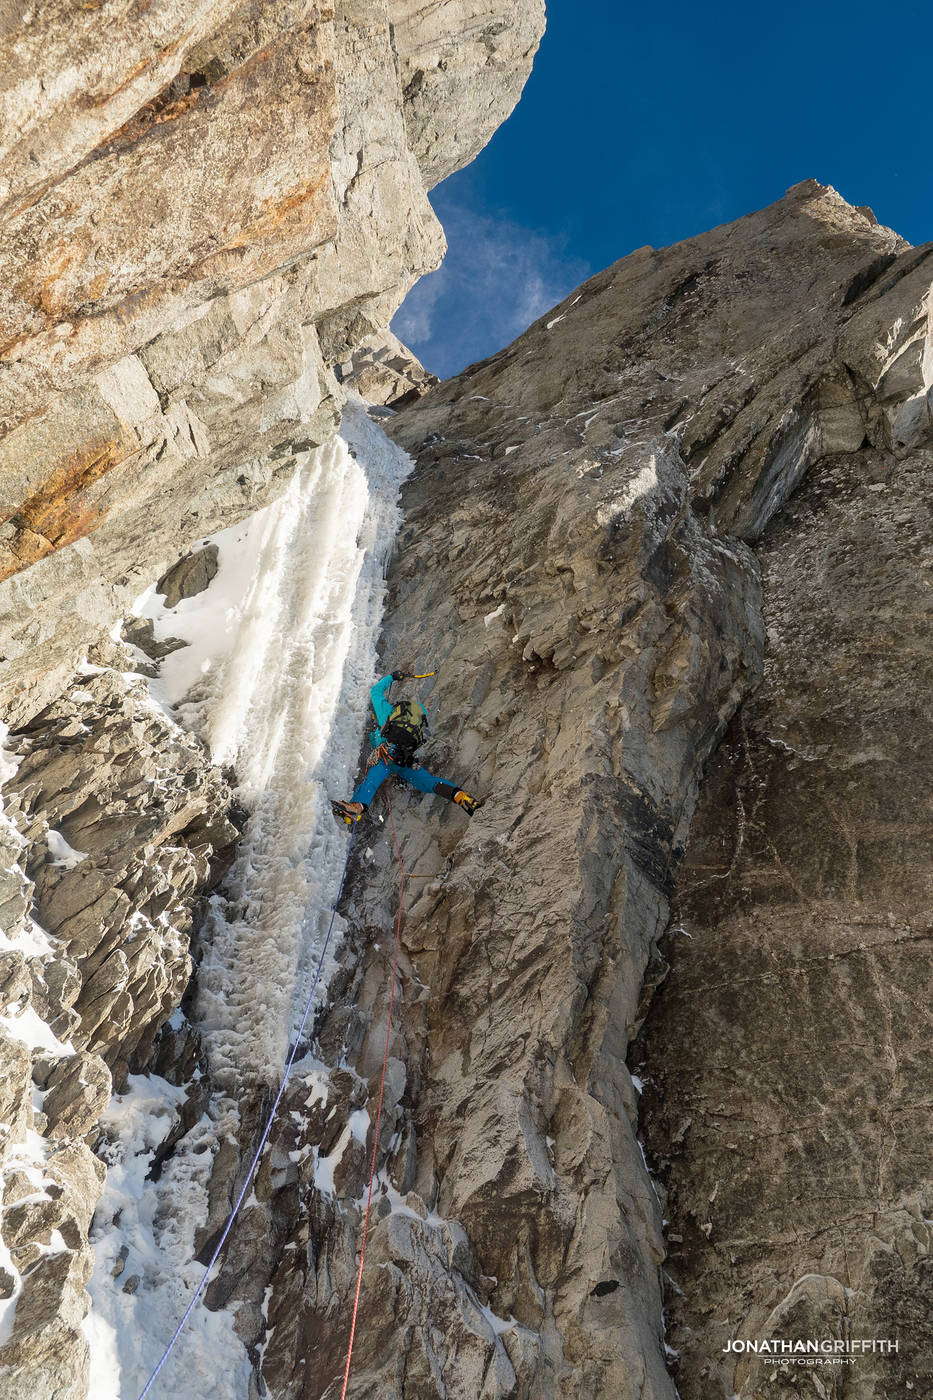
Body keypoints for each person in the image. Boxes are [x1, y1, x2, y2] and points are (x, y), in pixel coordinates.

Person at [332, 671, 480, 824]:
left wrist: (393, 677)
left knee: (371, 782)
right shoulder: (418, 731)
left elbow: (375, 691)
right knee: (430, 782)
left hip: (385, 756)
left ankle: (356, 807)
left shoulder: (387, 713)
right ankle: (461, 796)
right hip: (404, 761)